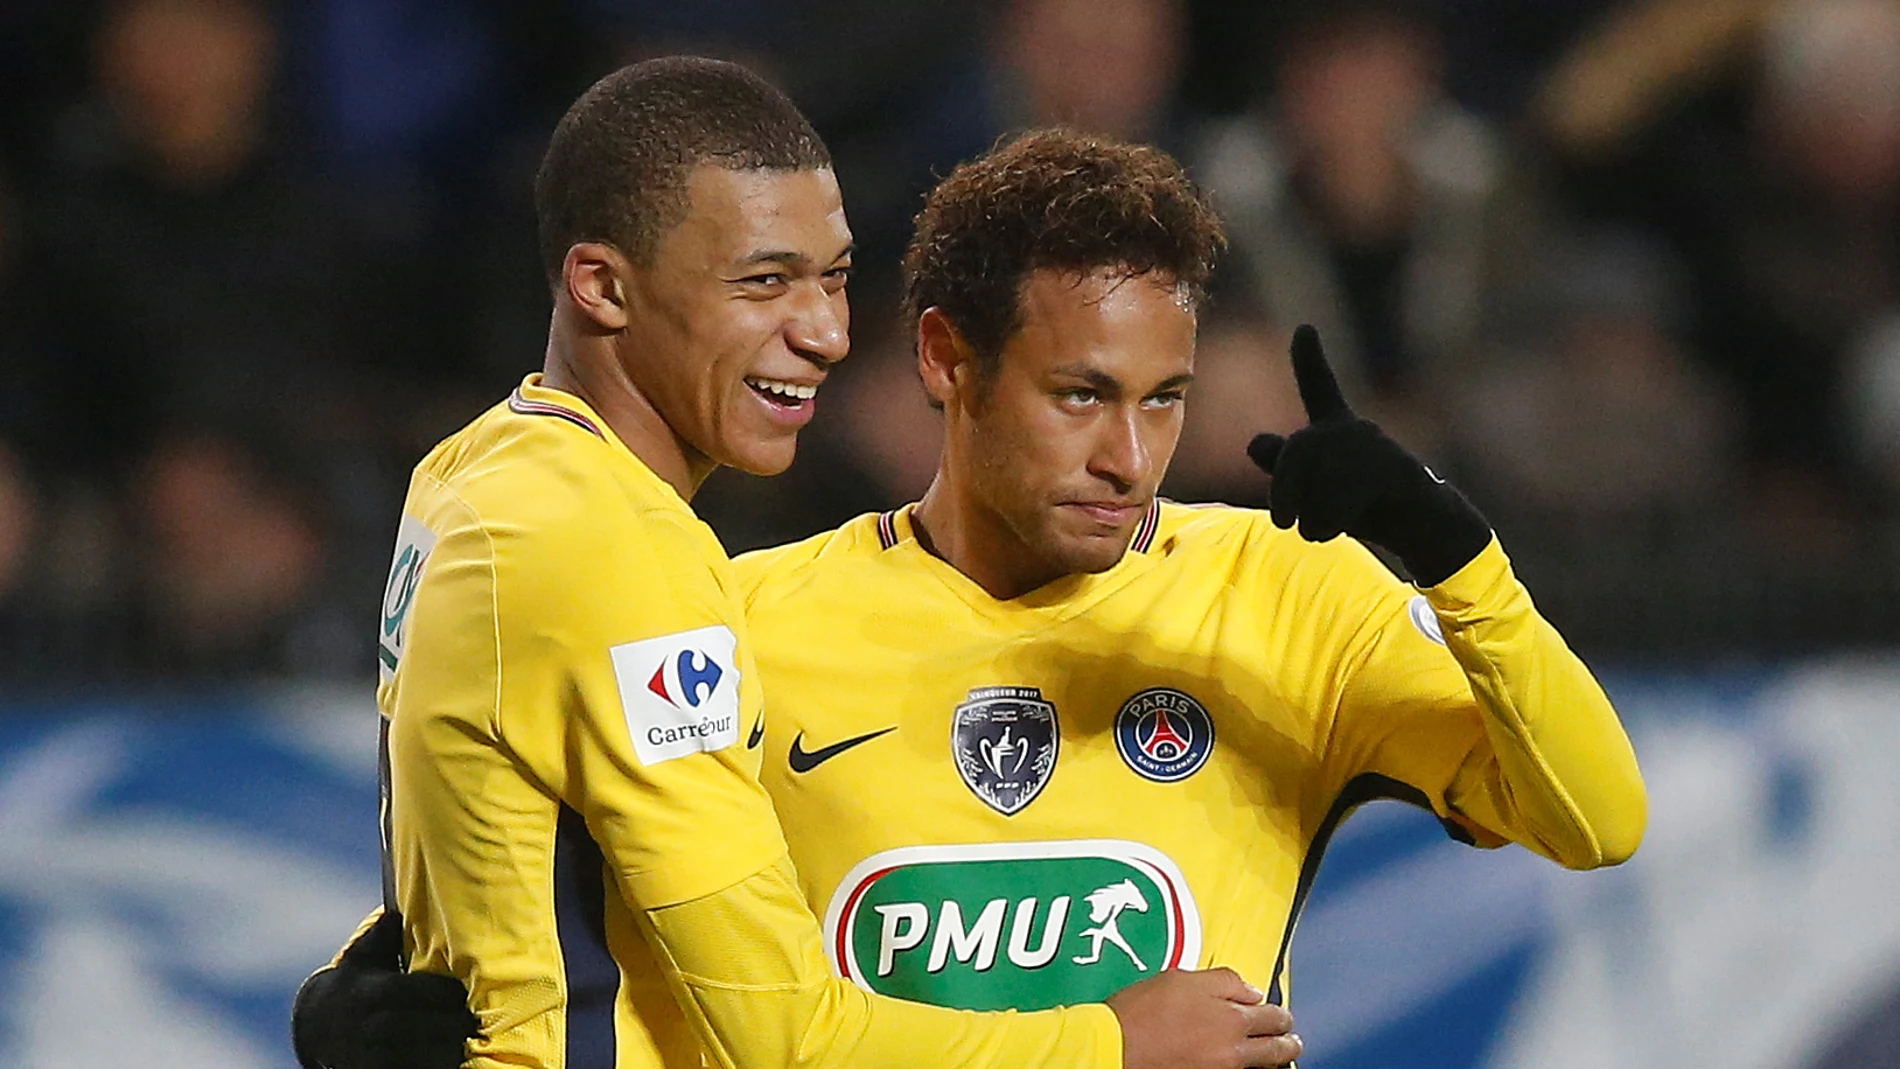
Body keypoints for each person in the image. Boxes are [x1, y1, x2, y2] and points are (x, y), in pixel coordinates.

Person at [300, 128, 1645, 1063]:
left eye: (1163, 400)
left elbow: (1597, 818)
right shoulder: (747, 622)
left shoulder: (1291, 601)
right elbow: (554, 890)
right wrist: (359, 1003)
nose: (1130, 455)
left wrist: (1452, 552)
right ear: (947, 359)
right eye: (1081, 396)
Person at [291, 61, 1298, 1069]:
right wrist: (1113, 1043)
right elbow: (782, 1036)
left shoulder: (472, 471)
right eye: (764, 281)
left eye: (835, 274)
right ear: (602, 286)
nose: (823, 332)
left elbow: (498, 833)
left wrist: (367, 982)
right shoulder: (622, 552)